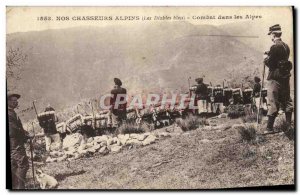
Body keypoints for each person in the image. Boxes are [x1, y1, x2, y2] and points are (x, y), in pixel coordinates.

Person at [264, 24, 293, 132]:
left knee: (272, 101)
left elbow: (271, 64)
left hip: (275, 77)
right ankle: (288, 126)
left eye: (270, 34)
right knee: (287, 101)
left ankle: (269, 128)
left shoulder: (275, 46)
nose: (270, 37)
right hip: (285, 77)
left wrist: (265, 58)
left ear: (273, 34)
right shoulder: (286, 46)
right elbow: (280, 59)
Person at [8, 93, 32, 189]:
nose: (15, 102)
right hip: (15, 143)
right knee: (23, 165)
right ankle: (20, 187)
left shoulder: (12, 112)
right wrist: (25, 136)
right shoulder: (8, 114)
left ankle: (14, 186)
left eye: (16, 100)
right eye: (12, 100)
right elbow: (12, 130)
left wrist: (26, 133)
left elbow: (18, 128)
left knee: (14, 165)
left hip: (15, 143)